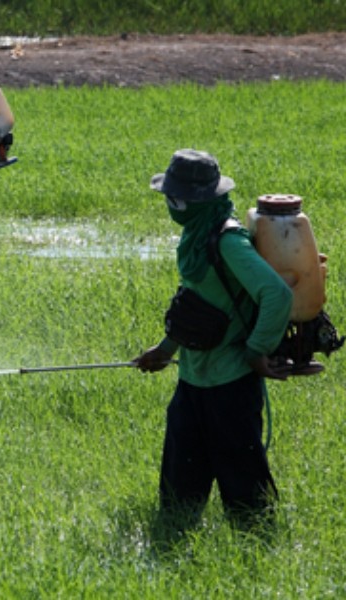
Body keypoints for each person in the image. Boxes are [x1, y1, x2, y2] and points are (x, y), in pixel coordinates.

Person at [134, 149, 293, 531]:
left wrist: (256, 351)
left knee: (246, 497)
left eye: (176, 198)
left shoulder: (227, 241)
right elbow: (195, 305)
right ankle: (174, 538)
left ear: (198, 199)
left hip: (231, 383)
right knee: (178, 492)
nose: (171, 205)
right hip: (193, 378)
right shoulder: (197, 235)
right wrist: (166, 349)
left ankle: (257, 546)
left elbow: (277, 294)